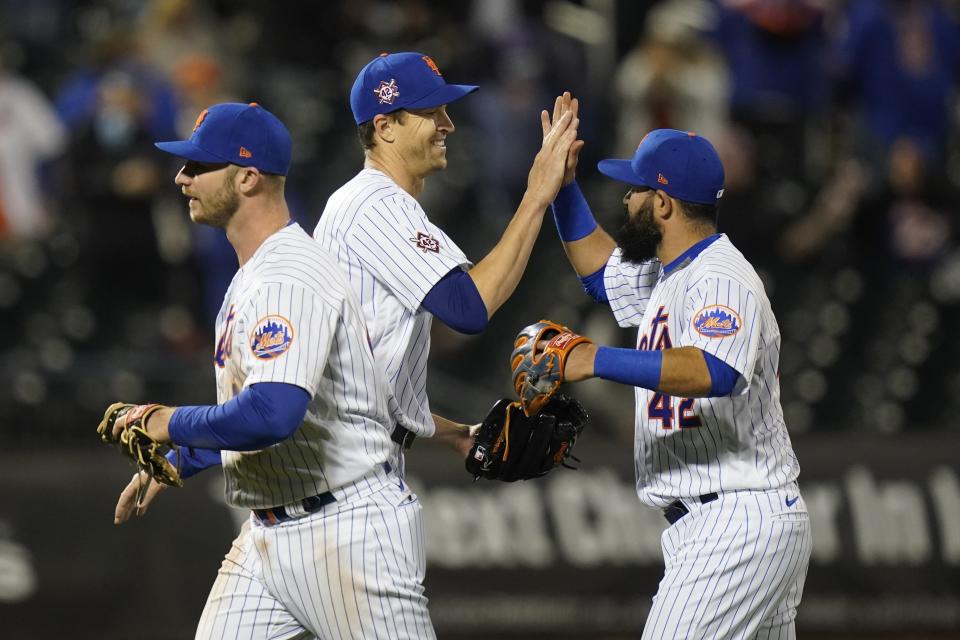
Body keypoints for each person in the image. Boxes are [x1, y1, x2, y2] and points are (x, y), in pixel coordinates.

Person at [110, 102, 435, 639]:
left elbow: (272, 414)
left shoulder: (287, 275)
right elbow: (275, 414)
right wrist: (181, 459)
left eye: (198, 167)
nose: (181, 177)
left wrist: (168, 420)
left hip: (347, 533)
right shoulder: (256, 271)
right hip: (268, 535)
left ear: (248, 178)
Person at [538, 112, 812, 637]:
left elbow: (715, 369)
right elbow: (600, 275)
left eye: (634, 189)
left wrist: (595, 359)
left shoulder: (722, 276)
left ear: (662, 202)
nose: (624, 200)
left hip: (736, 523)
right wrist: (563, 188)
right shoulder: (672, 272)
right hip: (732, 521)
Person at [313, 52, 580, 472]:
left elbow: (372, 391)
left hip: (347, 457)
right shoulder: (374, 204)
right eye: (430, 112)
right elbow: (468, 308)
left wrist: (456, 434)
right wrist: (536, 194)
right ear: (385, 127)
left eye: (445, 110)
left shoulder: (369, 204)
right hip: (350, 474)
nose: (448, 124)